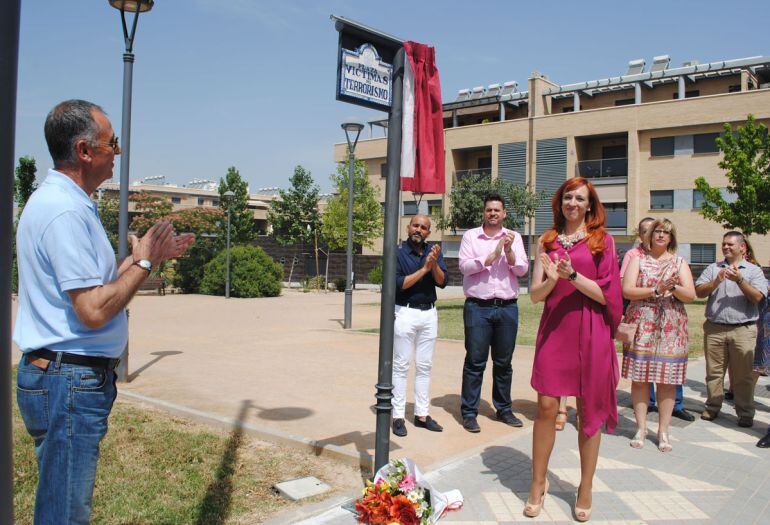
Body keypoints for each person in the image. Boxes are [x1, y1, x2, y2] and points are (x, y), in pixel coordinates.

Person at [14, 99, 195, 524]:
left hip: (66, 378)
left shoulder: (71, 204)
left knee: (63, 501)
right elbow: (94, 311)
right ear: (83, 150)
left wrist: (148, 259)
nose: (118, 151)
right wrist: (145, 262)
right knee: (64, 512)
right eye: (112, 143)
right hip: (68, 381)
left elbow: (97, 285)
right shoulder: (63, 211)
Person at [526, 177, 622, 521]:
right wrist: (553, 279)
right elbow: (535, 294)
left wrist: (572, 277)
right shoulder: (548, 241)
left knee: (587, 409)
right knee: (547, 407)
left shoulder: (603, 242)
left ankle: (585, 486)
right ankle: (538, 483)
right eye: (568, 197)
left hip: (591, 331)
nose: (573, 203)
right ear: (560, 202)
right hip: (556, 331)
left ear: (590, 205)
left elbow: (609, 296)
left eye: (580, 198)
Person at [621, 219, 696, 452]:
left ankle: (663, 430)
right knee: (640, 378)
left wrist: (672, 287)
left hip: (671, 328)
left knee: (667, 380)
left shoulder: (679, 261)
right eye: (657, 232)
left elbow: (691, 295)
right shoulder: (637, 260)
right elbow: (627, 290)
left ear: (672, 238)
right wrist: (656, 289)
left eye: (666, 232)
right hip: (643, 323)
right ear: (650, 236)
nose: (661, 235)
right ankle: (641, 427)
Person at [458, 193, 529, 433]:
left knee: (503, 363)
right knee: (475, 362)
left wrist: (508, 252)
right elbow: (464, 267)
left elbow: (521, 270)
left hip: (507, 308)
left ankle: (504, 409)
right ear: (484, 213)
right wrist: (492, 255)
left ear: (504, 213)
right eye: (489, 210)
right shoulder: (471, 236)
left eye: (497, 210)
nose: (493, 214)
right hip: (478, 307)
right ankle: (469, 412)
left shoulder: (514, 237)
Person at [695, 231, 766, 427]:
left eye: (730, 244)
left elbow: (758, 298)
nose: (726, 247)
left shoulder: (754, 271)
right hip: (715, 328)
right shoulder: (713, 268)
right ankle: (712, 407)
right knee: (714, 372)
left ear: (742, 247)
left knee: (743, 375)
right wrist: (716, 281)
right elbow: (698, 292)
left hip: (743, 329)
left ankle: (745, 413)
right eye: (723, 244)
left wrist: (740, 281)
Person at [391, 214, 448, 437]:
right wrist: (424, 269)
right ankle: (397, 415)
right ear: (408, 227)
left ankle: (421, 415)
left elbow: (442, 282)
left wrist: (433, 265)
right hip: (405, 312)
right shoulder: (397, 253)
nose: (419, 230)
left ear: (428, 232)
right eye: (416, 225)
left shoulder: (433, 251)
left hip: (429, 314)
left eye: (424, 227)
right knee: (401, 365)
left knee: (425, 366)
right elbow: (400, 284)